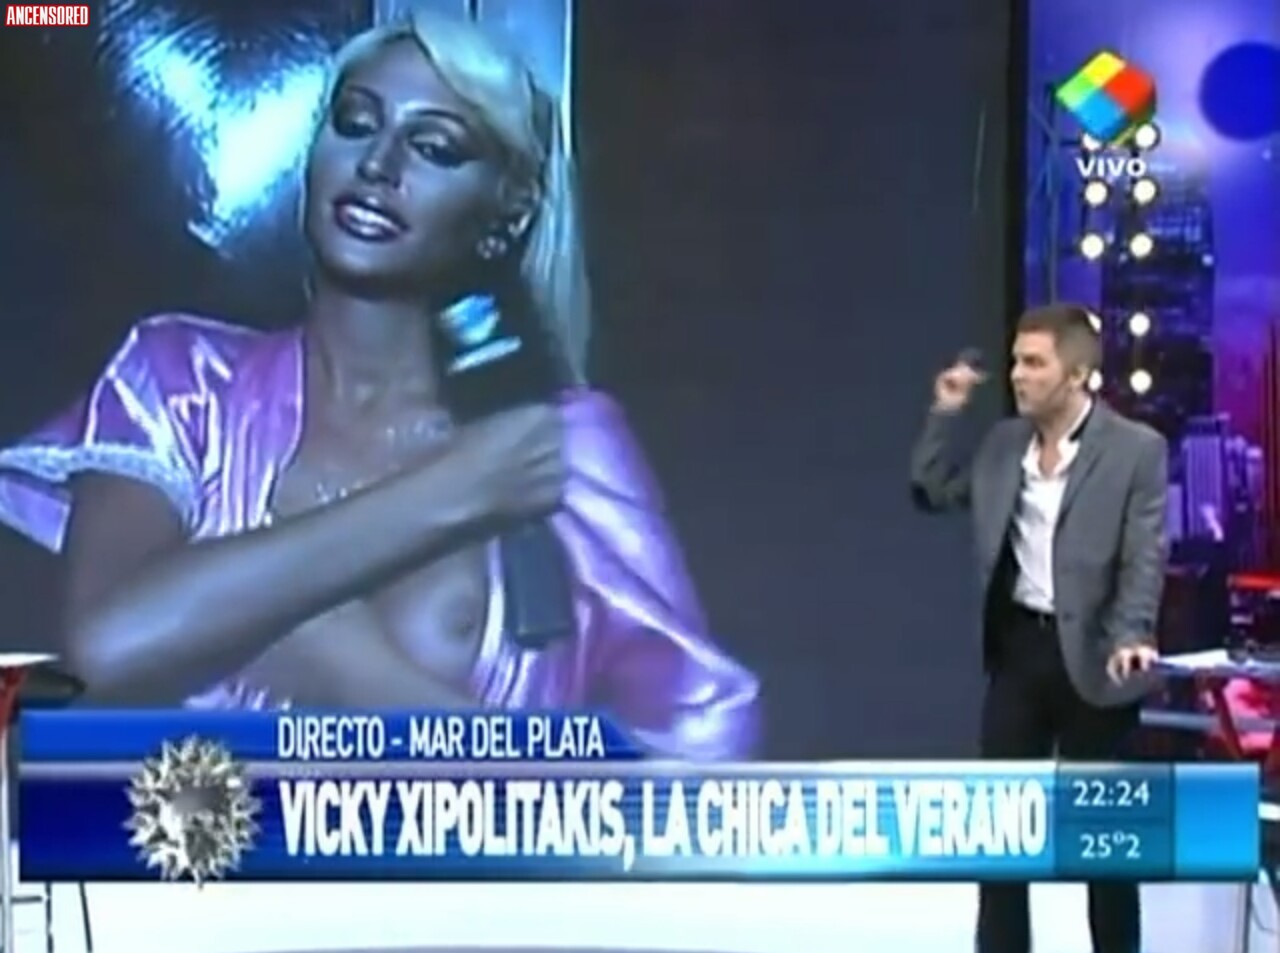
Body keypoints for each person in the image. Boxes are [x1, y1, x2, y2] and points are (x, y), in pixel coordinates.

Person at [0, 9, 758, 760]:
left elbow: (704, 763)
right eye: (356, 123)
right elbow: (108, 645)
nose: (378, 163)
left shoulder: (556, 444)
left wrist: (348, 668)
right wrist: (449, 494)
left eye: (434, 147)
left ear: (507, 212)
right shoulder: (181, 382)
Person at [910, 303, 1166, 953]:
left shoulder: (1135, 450)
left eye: (1034, 363)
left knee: (1106, 844)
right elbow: (932, 487)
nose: (1018, 376)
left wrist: (1133, 633)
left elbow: (1144, 555)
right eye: (1016, 362)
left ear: (1076, 374)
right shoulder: (1003, 446)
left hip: (1098, 656)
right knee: (1003, 834)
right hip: (1020, 653)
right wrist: (945, 412)